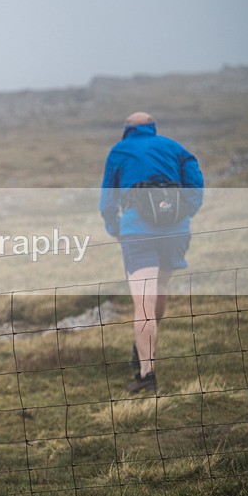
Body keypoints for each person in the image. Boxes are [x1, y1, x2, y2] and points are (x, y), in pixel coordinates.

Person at [100, 112, 204, 394]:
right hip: (175, 229)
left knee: (143, 302)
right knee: (160, 288)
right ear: (152, 128)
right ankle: (143, 348)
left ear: (128, 130)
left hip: (138, 231)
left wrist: (116, 229)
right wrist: (185, 213)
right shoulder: (175, 147)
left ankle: (146, 374)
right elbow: (196, 184)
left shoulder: (119, 151)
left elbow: (107, 199)